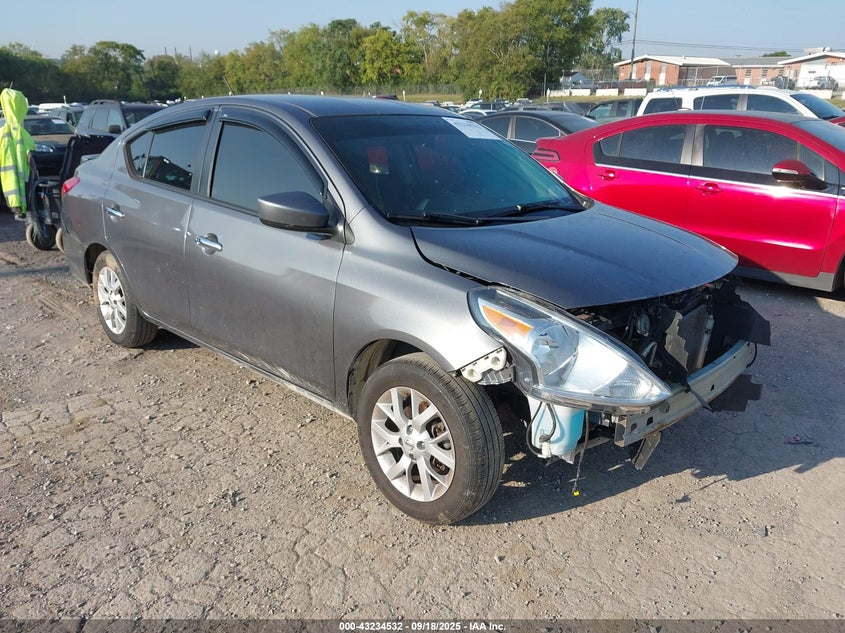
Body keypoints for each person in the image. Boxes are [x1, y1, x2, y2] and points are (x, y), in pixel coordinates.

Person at [0, 88, 36, 220]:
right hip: (24, 183)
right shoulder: (23, 133)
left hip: (10, 186)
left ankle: (18, 207)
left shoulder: (4, 132)